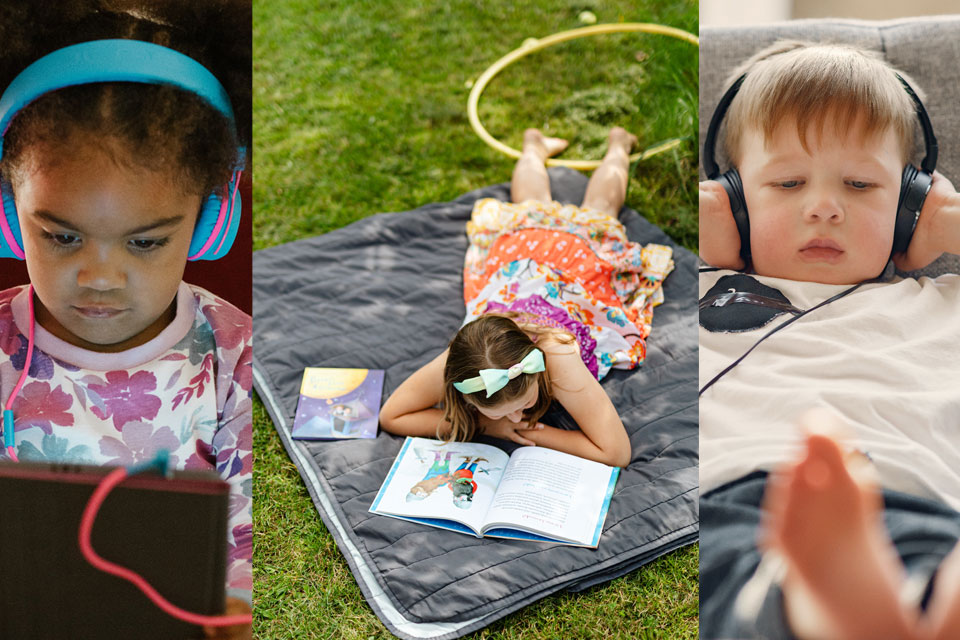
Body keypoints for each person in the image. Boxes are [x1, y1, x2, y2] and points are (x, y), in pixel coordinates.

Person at [0, 3, 252, 638]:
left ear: (209, 223)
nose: (100, 278)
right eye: (60, 236)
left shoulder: (237, 356)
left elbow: (252, 545)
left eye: (144, 242)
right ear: (8, 214)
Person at [698, 40, 960, 640]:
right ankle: (828, 605)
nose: (823, 208)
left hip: (912, 491)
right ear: (732, 202)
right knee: (735, 576)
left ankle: (839, 607)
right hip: (742, 490)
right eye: (787, 183)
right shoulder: (699, 284)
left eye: (862, 186)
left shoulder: (943, 302)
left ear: (909, 204)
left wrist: (947, 224)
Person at [380, 127, 675, 468]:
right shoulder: (463, 361)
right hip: (521, 275)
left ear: (535, 372)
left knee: (600, 211)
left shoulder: (555, 355)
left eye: (519, 406)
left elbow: (616, 453)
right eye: (505, 413)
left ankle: (619, 144)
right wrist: (488, 426)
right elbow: (393, 415)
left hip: (570, 267)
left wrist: (532, 433)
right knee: (529, 208)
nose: (516, 416)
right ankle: (533, 147)